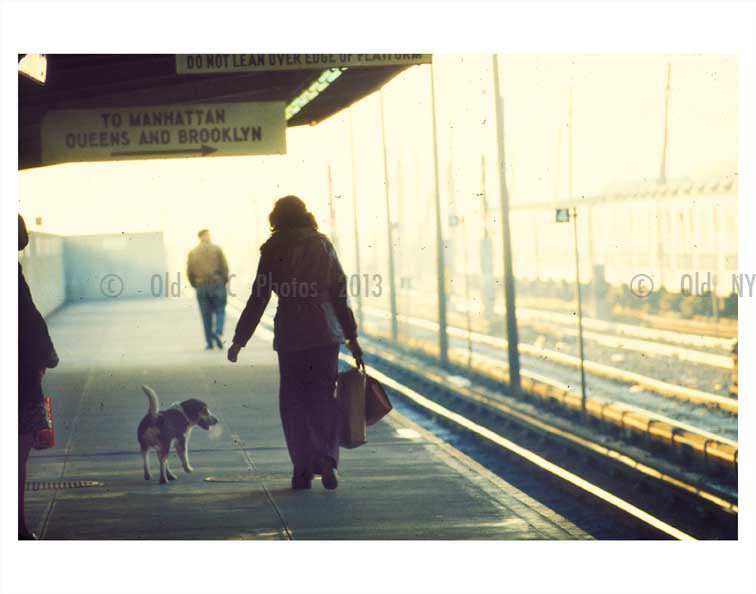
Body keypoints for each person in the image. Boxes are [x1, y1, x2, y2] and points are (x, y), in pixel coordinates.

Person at [228, 195, 363, 491]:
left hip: (291, 335)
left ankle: (302, 470)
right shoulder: (322, 244)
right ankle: (327, 460)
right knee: (324, 399)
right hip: (325, 333)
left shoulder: (273, 248)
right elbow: (339, 293)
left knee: (294, 403)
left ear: (276, 219)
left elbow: (259, 296)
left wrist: (240, 340)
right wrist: (352, 337)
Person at [18, 215, 59, 540]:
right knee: (18, 452)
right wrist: (45, 356)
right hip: (19, 378)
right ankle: (16, 526)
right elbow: (28, 318)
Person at [187, 229, 229, 350]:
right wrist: (223, 281)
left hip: (201, 286)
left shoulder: (193, 252)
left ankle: (209, 343)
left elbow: (189, 272)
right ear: (206, 236)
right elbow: (224, 268)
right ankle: (218, 332)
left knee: (206, 315)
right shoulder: (217, 249)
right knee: (220, 309)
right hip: (217, 284)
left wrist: (196, 285)